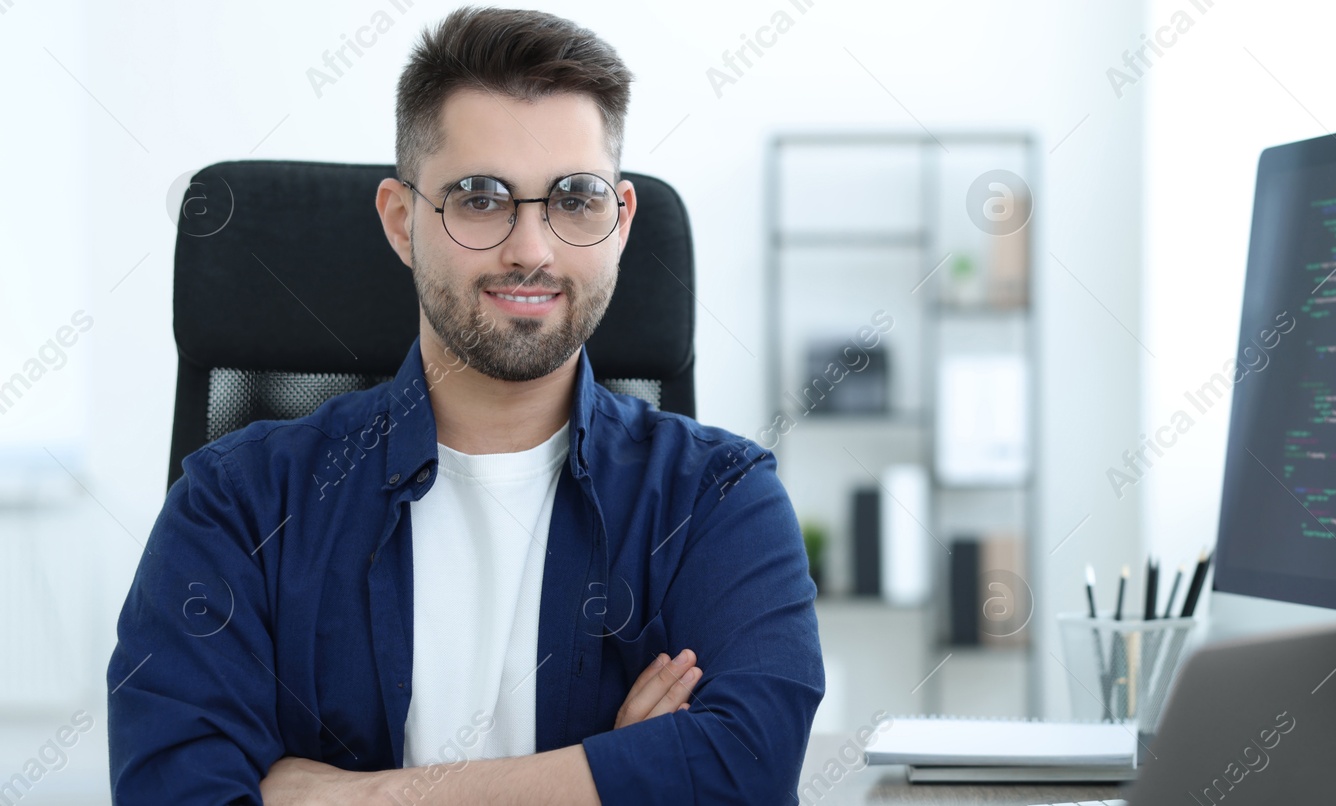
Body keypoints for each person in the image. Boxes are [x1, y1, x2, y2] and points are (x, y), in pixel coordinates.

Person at [106, 7, 824, 803]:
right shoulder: (236, 505)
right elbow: (175, 788)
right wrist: (615, 779)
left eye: (574, 198)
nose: (532, 249)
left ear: (619, 223)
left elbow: (748, 767)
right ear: (402, 221)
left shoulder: (719, 497)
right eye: (481, 198)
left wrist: (355, 795)